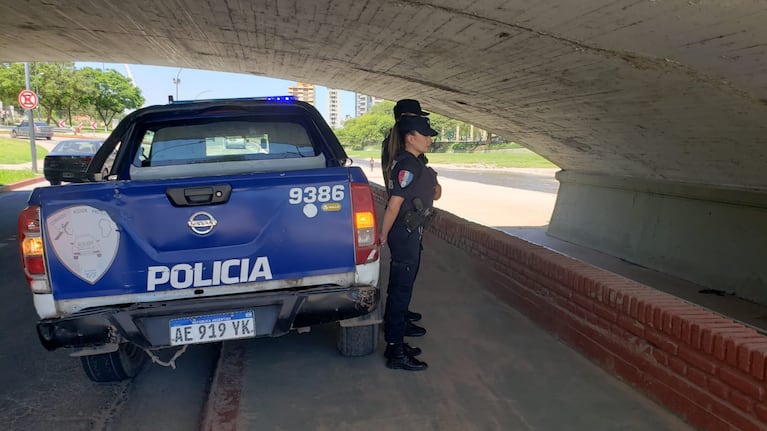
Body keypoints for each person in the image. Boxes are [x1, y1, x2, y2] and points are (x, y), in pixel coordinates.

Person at [379, 115, 440, 371]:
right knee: (400, 292)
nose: (429, 139)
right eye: (424, 135)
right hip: (404, 234)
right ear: (410, 138)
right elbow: (394, 206)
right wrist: (382, 235)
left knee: (402, 289)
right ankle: (395, 350)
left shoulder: (413, 163)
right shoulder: (407, 165)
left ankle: (397, 342)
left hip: (409, 232)